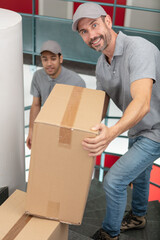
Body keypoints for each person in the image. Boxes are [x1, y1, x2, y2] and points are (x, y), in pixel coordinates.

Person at [72, 2, 160, 240]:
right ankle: (139, 216)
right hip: (138, 127)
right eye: (84, 31)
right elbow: (100, 104)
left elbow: (142, 103)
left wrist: (110, 134)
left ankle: (110, 234)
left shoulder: (138, 49)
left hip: (156, 128)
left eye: (94, 25)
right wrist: (77, 129)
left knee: (114, 181)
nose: (92, 35)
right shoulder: (101, 65)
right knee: (141, 174)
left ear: (108, 21)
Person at [26, 40, 86, 149]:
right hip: (47, 127)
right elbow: (36, 105)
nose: (49, 63)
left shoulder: (77, 82)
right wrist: (31, 130)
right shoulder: (37, 76)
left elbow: (80, 115)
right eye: (45, 59)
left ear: (60, 59)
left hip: (67, 130)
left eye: (53, 59)